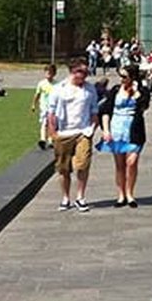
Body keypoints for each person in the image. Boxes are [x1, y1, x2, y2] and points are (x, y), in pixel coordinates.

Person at [46, 60, 99, 212]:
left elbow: (94, 110)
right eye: (80, 72)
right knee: (63, 168)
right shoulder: (59, 89)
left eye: (85, 73)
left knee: (82, 165)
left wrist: (92, 128)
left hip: (82, 132)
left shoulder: (90, 89)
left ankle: (80, 197)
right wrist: (53, 133)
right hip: (63, 132)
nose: (83, 76)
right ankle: (65, 198)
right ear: (72, 72)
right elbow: (51, 112)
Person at [95, 64, 150, 208]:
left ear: (132, 77)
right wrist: (106, 130)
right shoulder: (115, 90)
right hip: (117, 129)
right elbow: (106, 110)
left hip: (133, 130)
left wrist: (137, 91)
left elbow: (144, 105)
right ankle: (121, 195)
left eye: (125, 77)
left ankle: (130, 193)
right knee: (120, 165)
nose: (122, 79)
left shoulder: (142, 91)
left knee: (131, 163)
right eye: (121, 76)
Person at [31, 64, 58, 149]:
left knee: (52, 124)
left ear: (54, 74)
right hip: (44, 107)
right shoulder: (41, 84)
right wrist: (33, 104)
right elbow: (37, 95)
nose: (48, 75)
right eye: (47, 73)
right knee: (44, 122)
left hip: (53, 107)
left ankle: (50, 140)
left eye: (50, 73)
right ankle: (42, 139)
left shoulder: (56, 85)